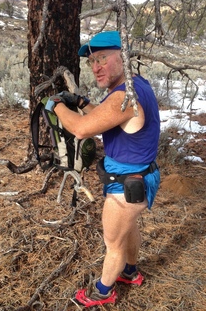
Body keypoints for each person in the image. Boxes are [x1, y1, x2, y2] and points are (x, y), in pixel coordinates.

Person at [45, 30, 160, 308]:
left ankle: (102, 291)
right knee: (127, 230)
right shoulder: (135, 87)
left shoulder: (126, 97)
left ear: (124, 58)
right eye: (92, 61)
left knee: (113, 243)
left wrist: (55, 105)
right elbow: (108, 115)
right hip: (137, 178)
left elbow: (82, 128)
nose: (96, 67)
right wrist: (83, 103)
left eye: (103, 58)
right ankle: (130, 273)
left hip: (127, 186)